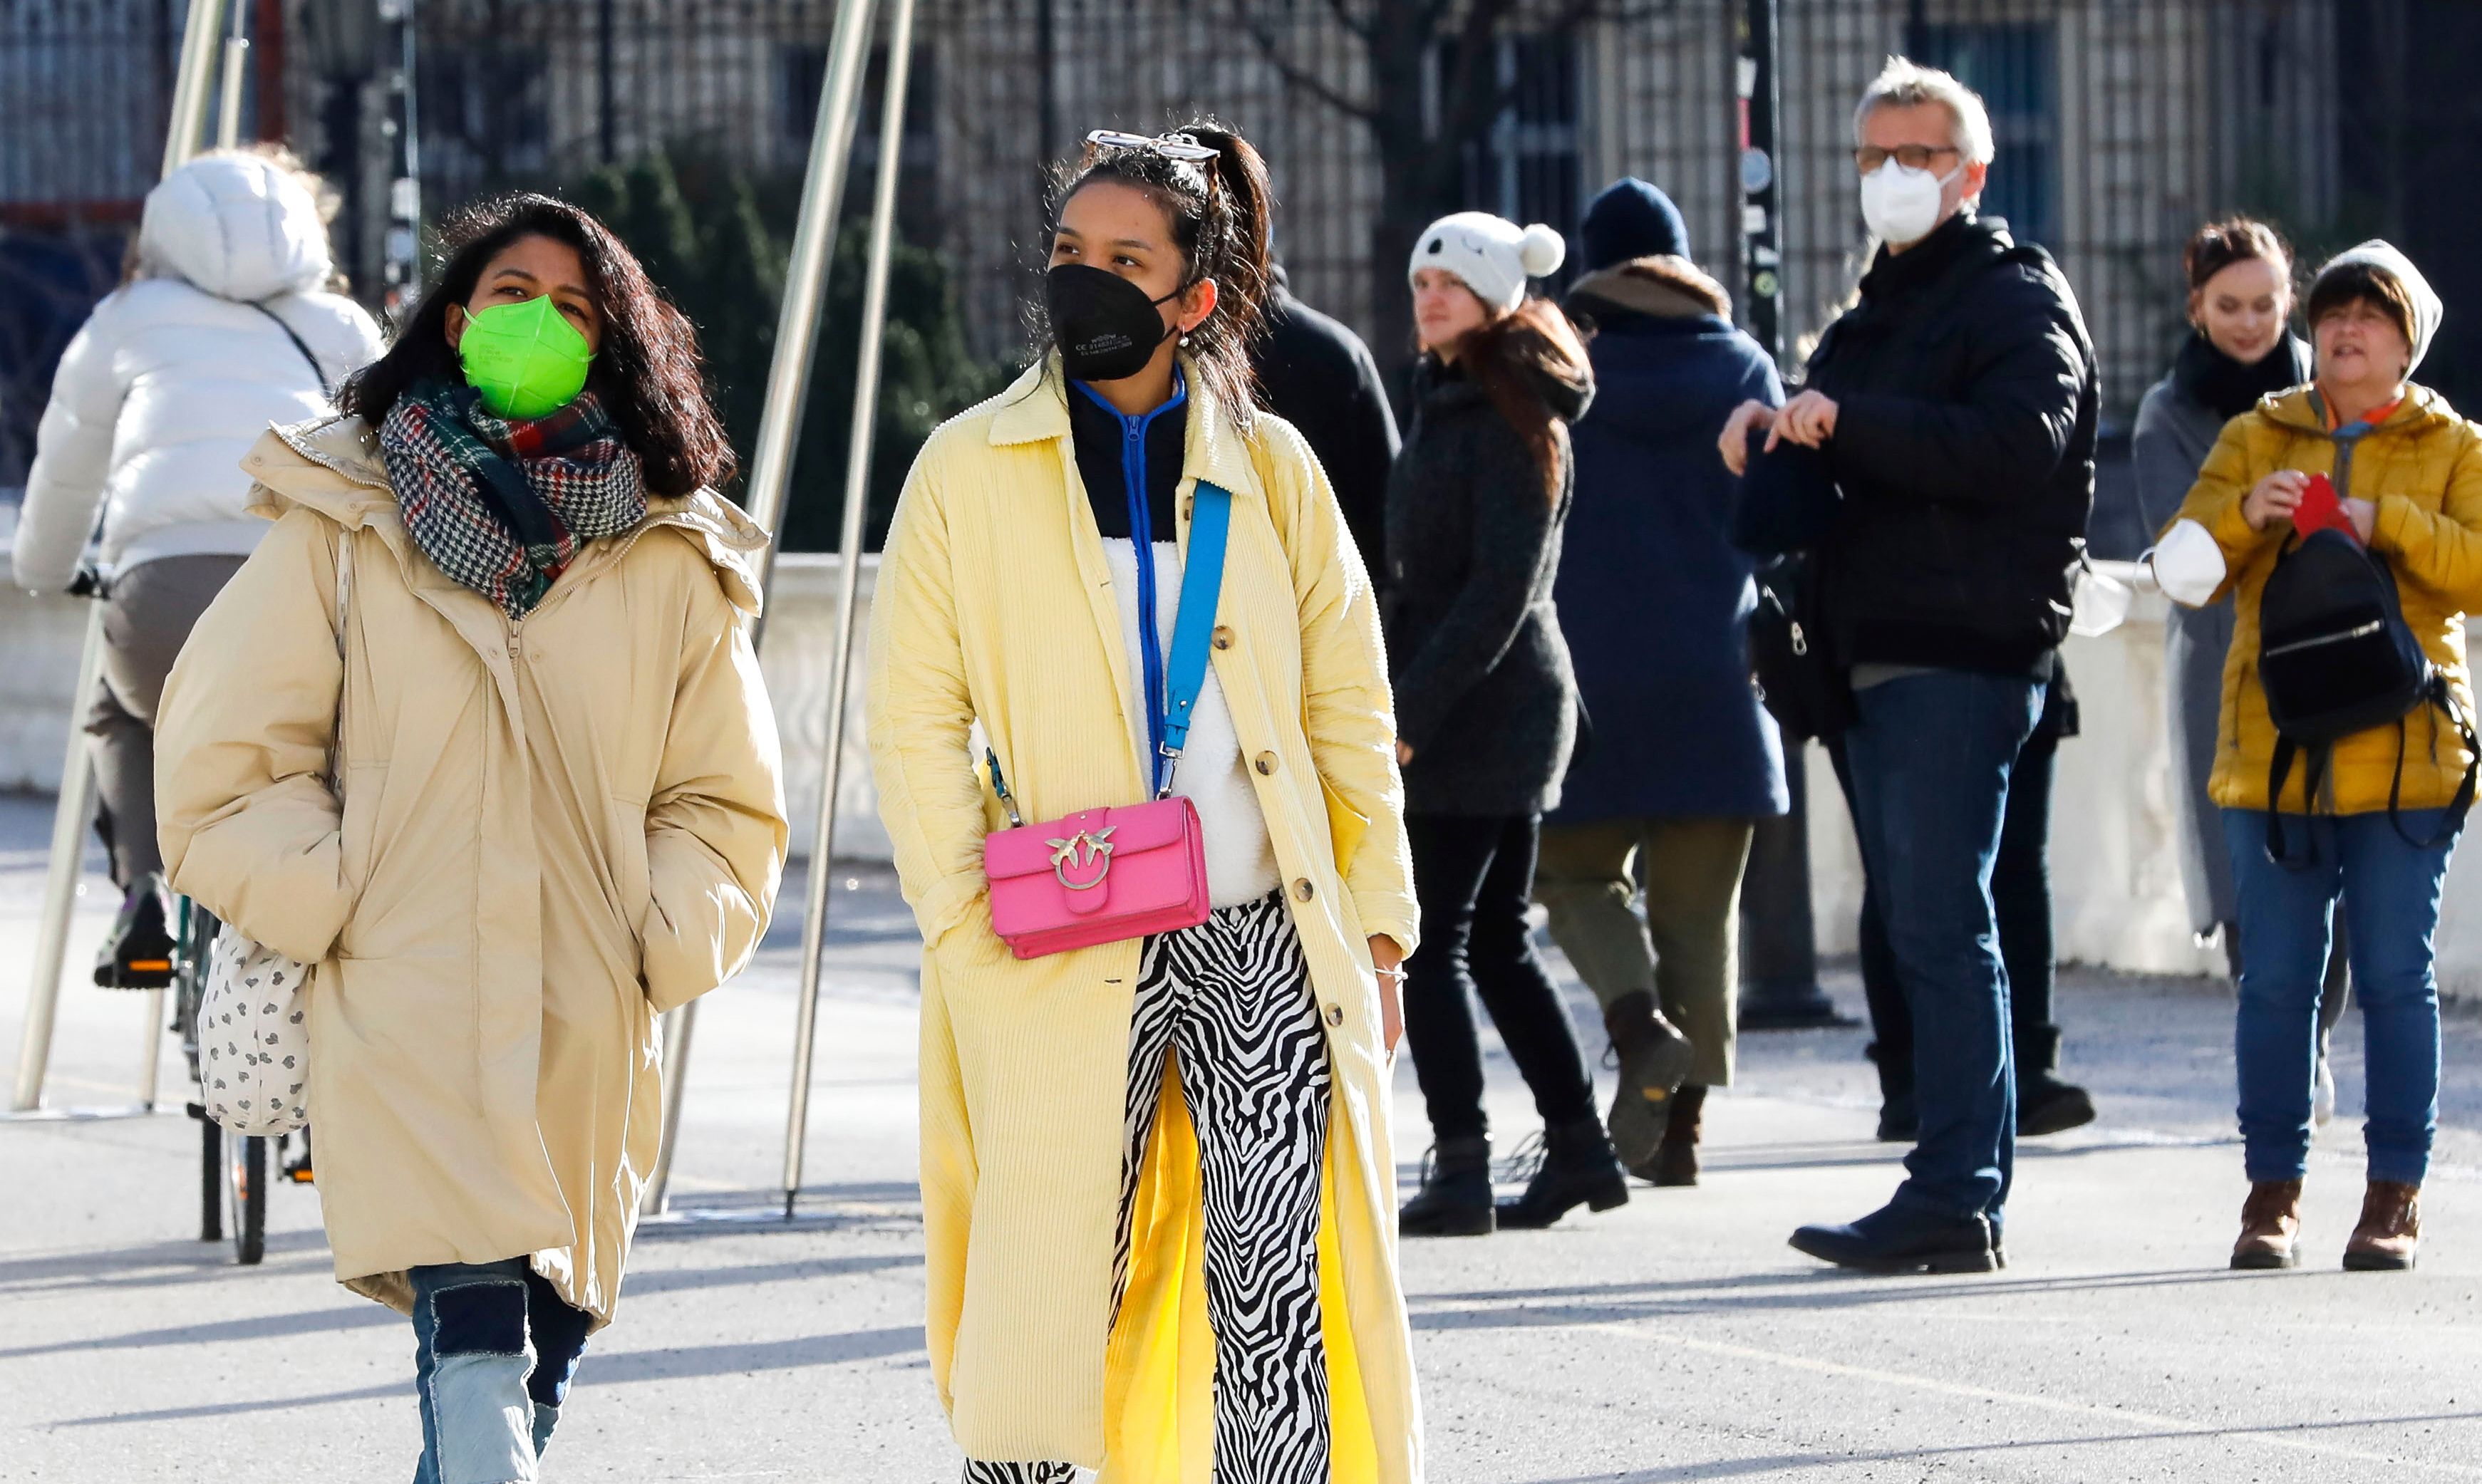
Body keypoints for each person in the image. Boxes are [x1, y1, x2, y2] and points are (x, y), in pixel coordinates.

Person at [153, 192, 787, 1479]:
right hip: (408, 984)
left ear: (613, 341)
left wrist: (658, 926)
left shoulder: (672, 552)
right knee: (477, 1331)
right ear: (454, 321)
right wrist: (338, 893)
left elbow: (724, 798)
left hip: (587, 997)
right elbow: (229, 755)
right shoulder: (347, 518)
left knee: (537, 1346)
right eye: (512, 294)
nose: (539, 320)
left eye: (573, 304)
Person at [867, 123, 1423, 1483]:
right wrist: (962, 926)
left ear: (1194, 297)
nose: (1085, 279)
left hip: (1260, 933)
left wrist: (1380, 930)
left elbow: (1350, 706)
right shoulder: (963, 467)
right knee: (1051, 1284)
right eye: (1068, 251)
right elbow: (912, 722)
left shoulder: (1272, 467)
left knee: (1272, 1292)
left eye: (1126, 258)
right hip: (1054, 939)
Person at [1721, 56, 2097, 1272]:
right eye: (1873, 155)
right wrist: (1777, 426)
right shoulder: (1875, 308)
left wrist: (1851, 419)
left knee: (1941, 922)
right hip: (1875, 648)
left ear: (1972, 170)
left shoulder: (2009, 295)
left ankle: (1956, 1190)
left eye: (1918, 154)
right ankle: (1947, 1179)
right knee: (1922, 919)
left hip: (1959, 650)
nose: (1891, 175)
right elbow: (1862, 459)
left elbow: (2019, 445)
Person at [2162, 241, 2474, 1272]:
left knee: (2392, 974)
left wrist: (2376, 520)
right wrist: (2242, 515)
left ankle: (2392, 1195)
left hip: (2406, 756)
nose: (2346, 330)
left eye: (2372, 317)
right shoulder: (2256, 434)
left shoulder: (2451, 443)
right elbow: (2181, 571)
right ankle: (2270, 1193)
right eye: (2334, 312)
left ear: (2405, 341)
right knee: (2274, 981)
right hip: (2273, 756)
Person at [12, 147, 381, 985]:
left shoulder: (127, 317)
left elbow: (66, 469)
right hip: (307, 590)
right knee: (323, 731)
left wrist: (43, 567)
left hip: (162, 593)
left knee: (126, 708)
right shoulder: (340, 325)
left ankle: (144, 892)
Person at [1531, 177, 1786, 1188]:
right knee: (1697, 915)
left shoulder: (1565, 370)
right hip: (1715, 680)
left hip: (1590, 686)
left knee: (1569, 876)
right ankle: (1679, 1132)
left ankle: (1638, 1024)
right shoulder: (1743, 366)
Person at [1385, 209, 1617, 1236]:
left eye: (1451, 281)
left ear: (1492, 297)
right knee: (1489, 943)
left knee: (1432, 942)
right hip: (1471, 703)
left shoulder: (1514, 416)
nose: (1429, 295)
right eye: (1421, 281)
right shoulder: (1450, 401)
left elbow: (1498, 594)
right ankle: (1579, 1147)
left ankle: (1462, 1162)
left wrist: (1407, 719)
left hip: (1494, 708)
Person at [2131, 219, 2349, 1128]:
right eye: (2230, 306)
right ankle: (2282, 1047)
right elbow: (2180, 560)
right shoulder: (2166, 415)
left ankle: (2312, 1040)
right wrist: (2252, 518)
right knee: (2243, 873)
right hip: (2224, 669)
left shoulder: (2339, 390)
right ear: (2196, 308)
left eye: (2266, 303)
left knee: (2336, 852)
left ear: (2290, 299)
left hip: (2339, 658)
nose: (2250, 322)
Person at [1846, 665, 2096, 1143]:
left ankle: (2023, 1065)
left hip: (2011, 644)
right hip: (1883, 654)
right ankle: (1912, 1080)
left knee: (2014, 865)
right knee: (1903, 876)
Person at [1253, 261, 1400, 576]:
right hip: (1335, 586)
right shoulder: (1340, 349)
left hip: (1226, 594)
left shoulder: (1191, 351)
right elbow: (1388, 499)